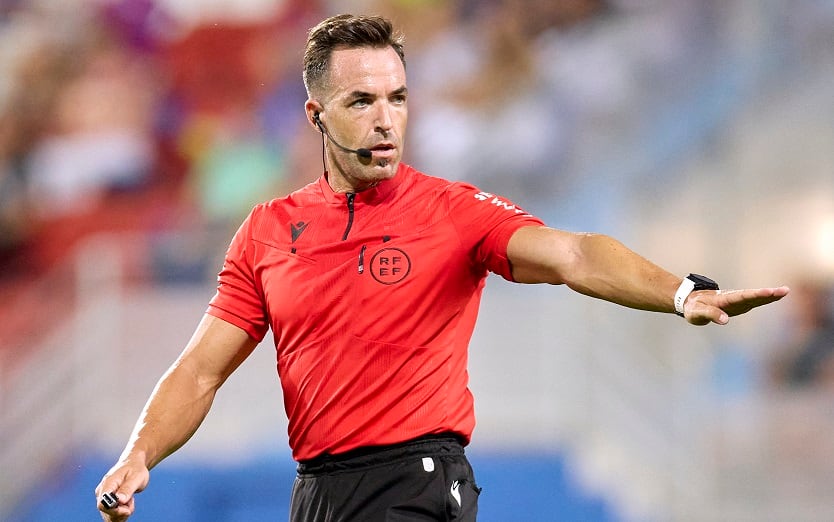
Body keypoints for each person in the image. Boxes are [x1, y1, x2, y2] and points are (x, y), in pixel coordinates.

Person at [95, 14, 789, 522]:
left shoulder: (450, 210)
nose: (385, 119)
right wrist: (139, 454)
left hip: (417, 484)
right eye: (361, 102)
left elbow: (572, 253)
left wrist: (677, 291)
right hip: (317, 494)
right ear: (316, 113)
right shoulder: (268, 231)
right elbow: (201, 370)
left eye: (397, 98)